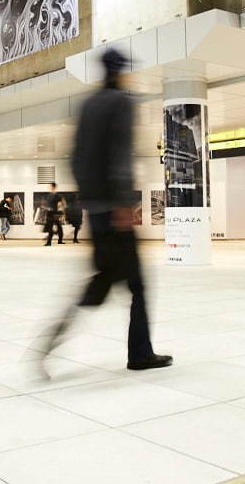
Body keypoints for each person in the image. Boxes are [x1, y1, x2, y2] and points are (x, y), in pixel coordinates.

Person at [36, 48, 170, 373]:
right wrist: (124, 204)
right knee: (136, 285)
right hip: (115, 209)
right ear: (120, 71)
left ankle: (52, 338)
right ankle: (140, 354)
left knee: (102, 280)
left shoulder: (87, 105)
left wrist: (91, 198)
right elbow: (119, 155)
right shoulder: (120, 102)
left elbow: (75, 158)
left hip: (95, 210)